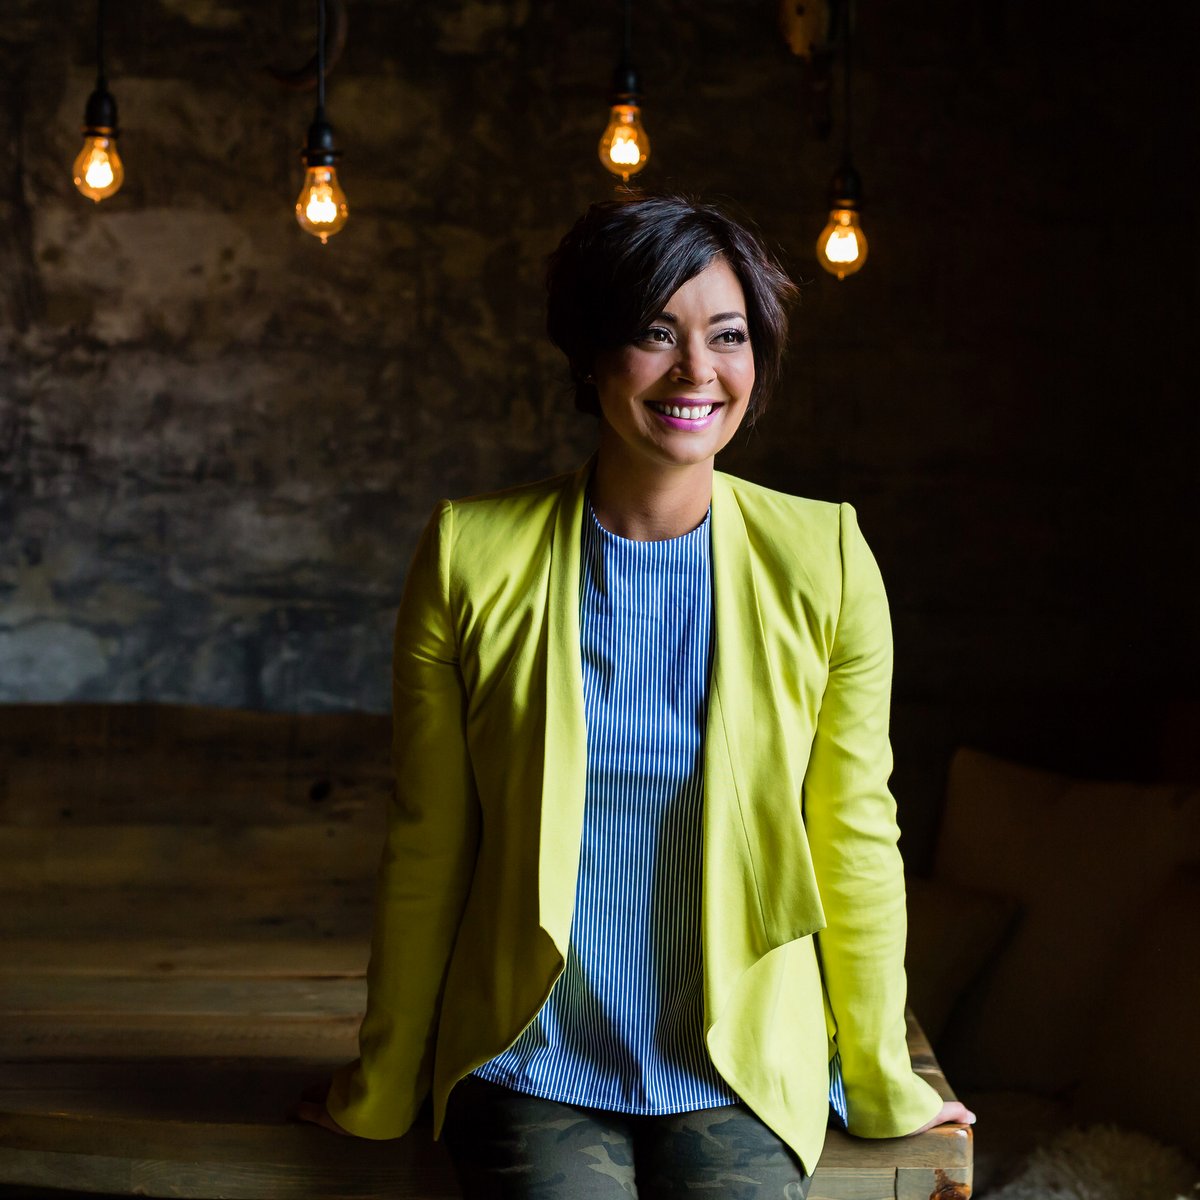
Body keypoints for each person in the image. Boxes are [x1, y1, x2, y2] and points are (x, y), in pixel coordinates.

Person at [298, 195, 975, 1197]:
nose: (697, 371)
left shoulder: (826, 559)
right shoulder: (467, 557)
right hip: (531, 1053)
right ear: (590, 355)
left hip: (734, 1064)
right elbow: (430, 839)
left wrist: (880, 1078)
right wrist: (384, 1081)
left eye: (728, 336)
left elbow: (855, 838)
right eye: (654, 333)